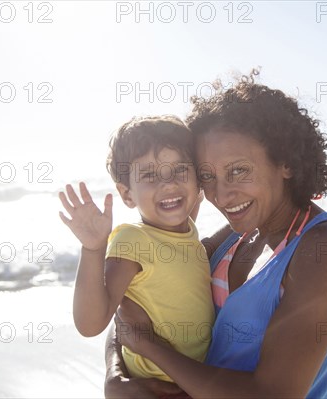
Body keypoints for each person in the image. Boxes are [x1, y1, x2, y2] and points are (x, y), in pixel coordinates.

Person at [106, 70, 327, 399]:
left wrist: (152, 349)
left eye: (238, 170)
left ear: (284, 162)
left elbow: (273, 395)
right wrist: (115, 376)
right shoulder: (232, 238)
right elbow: (133, 304)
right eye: (207, 176)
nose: (222, 194)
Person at [58, 116, 214, 384]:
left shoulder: (184, 227)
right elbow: (90, 324)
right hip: (158, 384)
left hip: (194, 378)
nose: (168, 184)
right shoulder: (133, 240)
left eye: (179, 170)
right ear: (127, 195)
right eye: (150, 175)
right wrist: (93, 249)